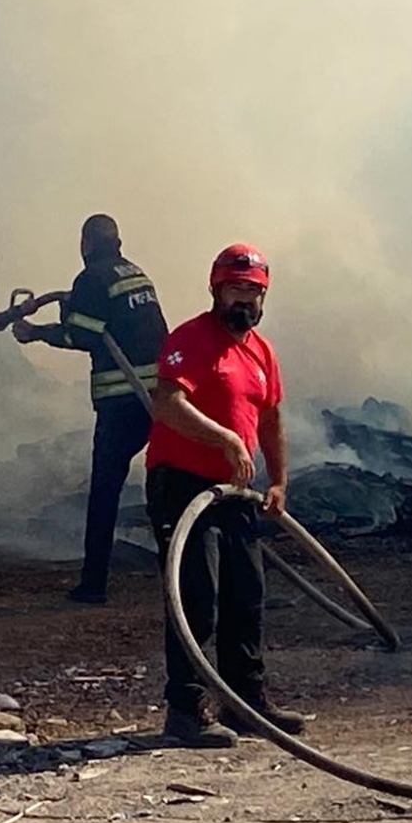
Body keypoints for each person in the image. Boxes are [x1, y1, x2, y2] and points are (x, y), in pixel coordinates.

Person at [145, 243, 306, 748]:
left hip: (236, 492)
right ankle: (186, 710)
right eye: (236, 290)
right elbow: (167, 403)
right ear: (216, 289)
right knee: (196, 595)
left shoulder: (261, 351)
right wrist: (227, 439)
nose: (245, 302)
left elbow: (272, 417)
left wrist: (277, 480)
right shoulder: (190, 340)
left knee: (246, 595)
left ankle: (246, 704)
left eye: (254, 292)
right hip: (183, 485)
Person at [12, 214, 168, 604]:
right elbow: (112, 320)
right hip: (160, 399)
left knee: (104, 492)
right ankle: (178, 571)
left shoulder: (93, 279)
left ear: (85, 243)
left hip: (122, 402)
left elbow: (80, 335)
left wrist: (35, 334)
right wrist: (67, 302)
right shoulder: (134, 273)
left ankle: (93, 584)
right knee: (167, 485)